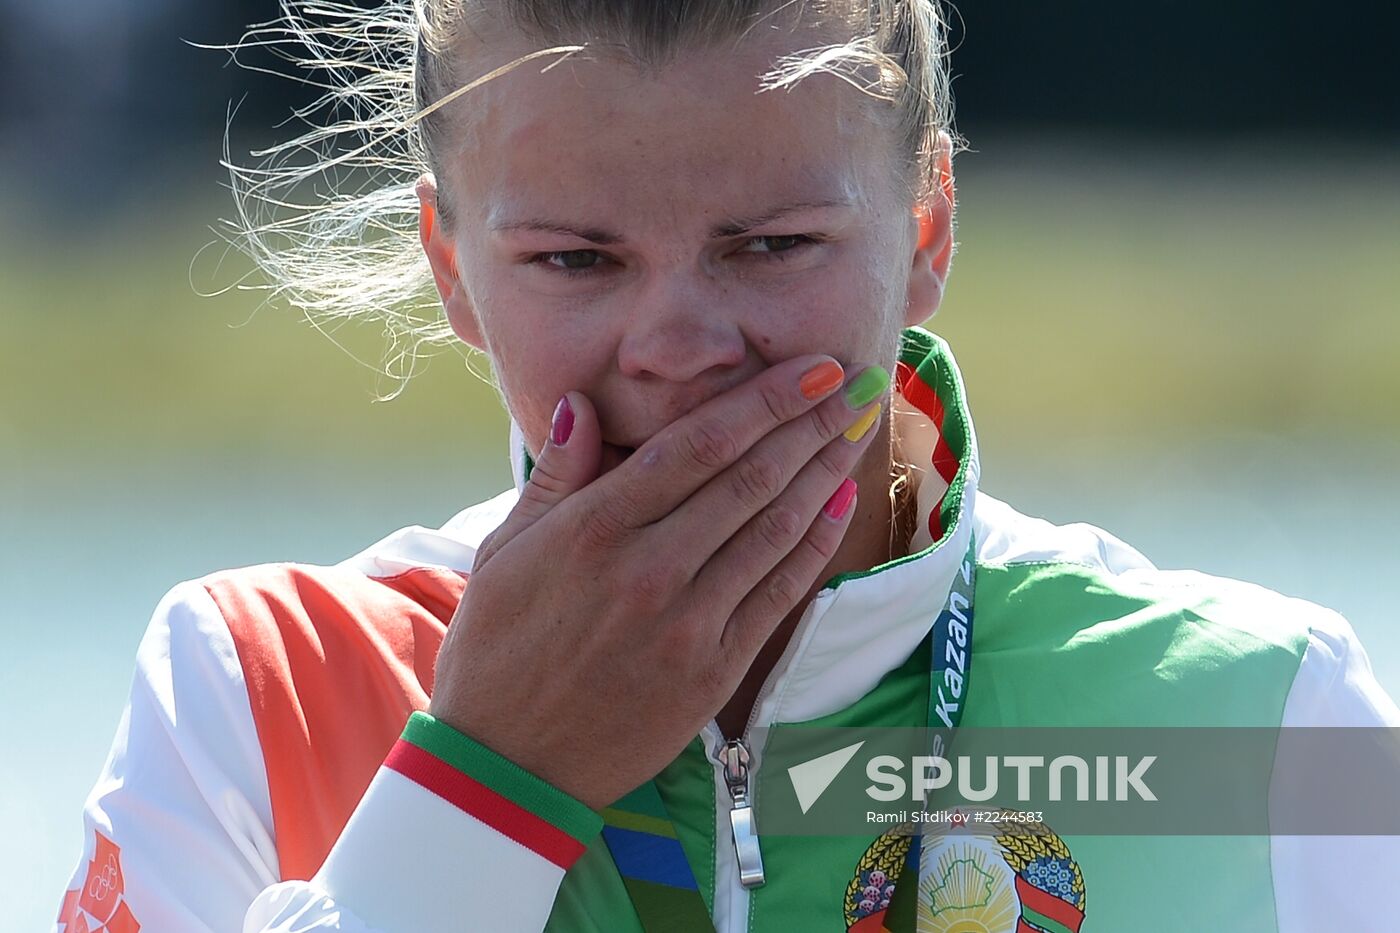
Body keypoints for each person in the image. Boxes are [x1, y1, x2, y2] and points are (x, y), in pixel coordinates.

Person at [55, 1, 1400, 931]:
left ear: (928, 221)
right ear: (449, 266)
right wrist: (480, 784)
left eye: (771, 245)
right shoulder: (250, 687)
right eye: (577, 259)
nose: (682, 346)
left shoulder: (1271, 719)